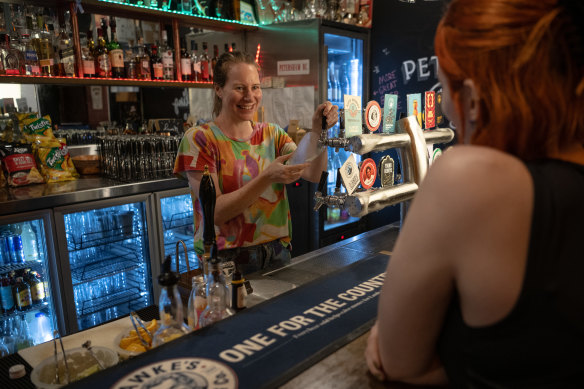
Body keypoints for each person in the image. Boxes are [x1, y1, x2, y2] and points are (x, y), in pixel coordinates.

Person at [365, 0, 584, 387]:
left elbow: (399, 363)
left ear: (472, 95)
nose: (445, 106)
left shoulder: (468, 178)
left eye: (443, 81)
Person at [174, 51, 337, 275]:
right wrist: (267, 177)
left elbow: (313, 173)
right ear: (219, 89)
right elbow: (216, 213)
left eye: (255, 87)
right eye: (240, 88)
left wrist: (320, 131)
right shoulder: (200, 139)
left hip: (277, 254)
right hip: (226, 262)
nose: (249, 96)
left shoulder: (272, 134)